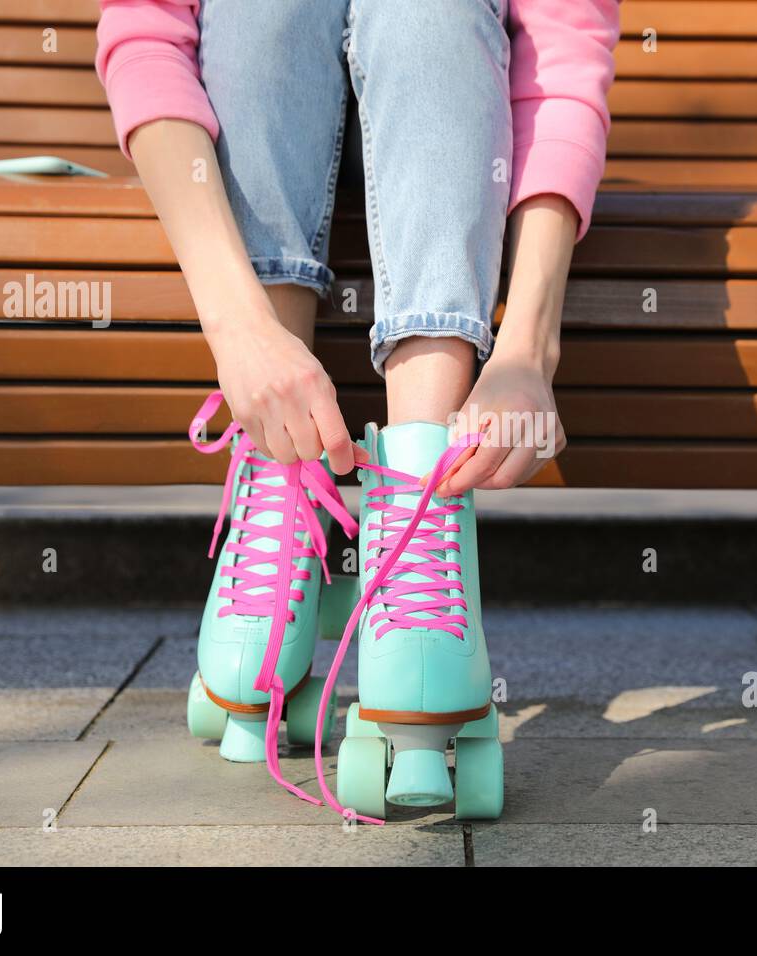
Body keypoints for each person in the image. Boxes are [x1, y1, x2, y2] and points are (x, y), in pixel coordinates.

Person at [95, 0, 617, 822]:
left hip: (446, 123)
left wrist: (525, 350)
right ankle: (278, 456)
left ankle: (422, 482)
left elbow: (561, 59)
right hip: (265, 142)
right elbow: (148, 36)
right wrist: (242, 338)